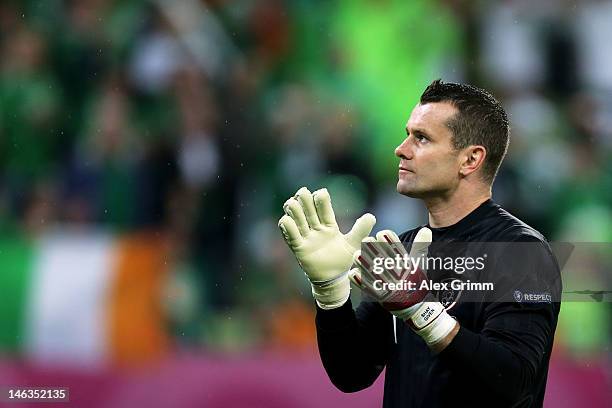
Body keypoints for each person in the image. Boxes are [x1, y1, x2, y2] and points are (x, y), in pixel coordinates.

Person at [278, 79, 561, 408]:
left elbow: (514, 381)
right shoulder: (404, 247)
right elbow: (352, 373)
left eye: (422, 138)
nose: (402, 148)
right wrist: (331, 293)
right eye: (407, 134)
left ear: (470, 160)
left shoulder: (522, 252)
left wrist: (424, 313)